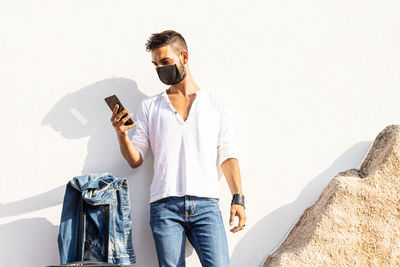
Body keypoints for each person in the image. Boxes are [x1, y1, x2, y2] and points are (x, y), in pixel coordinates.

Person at [110, 29, 246, 267]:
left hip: (206, 205)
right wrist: (122, 135)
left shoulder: (216, 104)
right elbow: (136, 159)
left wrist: (238, 198)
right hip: (165, 206)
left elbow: (228, 154)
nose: (160, 69)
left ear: (184, 57)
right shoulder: (150, 106)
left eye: (165, 61)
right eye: (155, 64)